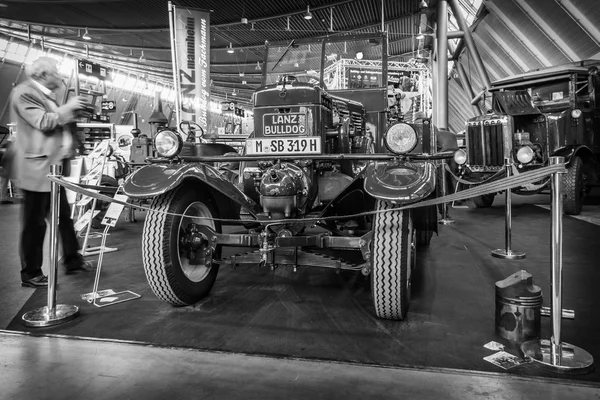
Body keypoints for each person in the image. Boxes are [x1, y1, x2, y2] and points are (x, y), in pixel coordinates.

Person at [10, 56, 95, 288]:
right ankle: (31, 273)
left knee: (63, 219)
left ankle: (72, 259)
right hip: (36, 171)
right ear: (43, 75)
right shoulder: (24, 93)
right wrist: (68, 108)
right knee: (34, 224)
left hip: (52, 170)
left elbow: (56, 122)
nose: (61, 77)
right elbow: (44, 122)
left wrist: (74, 114)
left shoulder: (47, 96)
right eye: (56, 73)